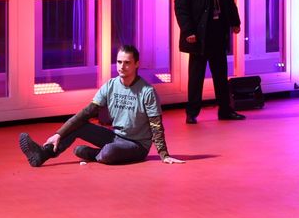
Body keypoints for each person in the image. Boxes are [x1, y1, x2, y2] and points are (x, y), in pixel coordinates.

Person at [18, 45, 183, 167]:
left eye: (127, 62)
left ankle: (94, 153)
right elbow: (87, 112)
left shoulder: (147, 91)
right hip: (115, 137)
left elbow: (156, 125)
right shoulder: (110, 85)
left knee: (110, 152)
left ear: (136, 64)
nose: (121, 67)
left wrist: (164, 154)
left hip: (136, 146)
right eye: (119, 62)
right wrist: (59, 134)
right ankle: (42, 154)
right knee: (78, 125)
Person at [175, 0, 245, 124]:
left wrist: (235, 22)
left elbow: (228, 0)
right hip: (198, 32)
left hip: (217, 29)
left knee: (220, 73)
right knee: (196, 74)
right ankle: (192, 112)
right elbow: (181, 6)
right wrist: (188, 30)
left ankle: (225, 110)